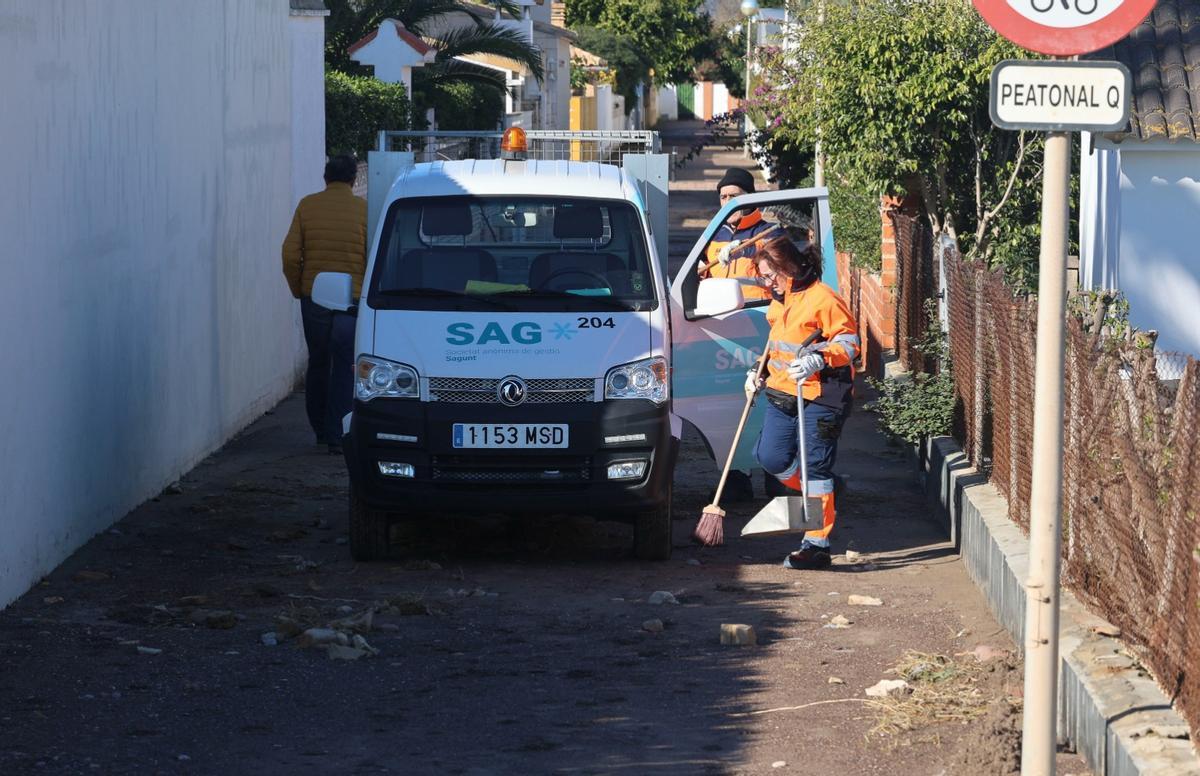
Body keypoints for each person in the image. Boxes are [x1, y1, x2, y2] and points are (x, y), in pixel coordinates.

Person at [745, 236, 859, 569]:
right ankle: (825, 494)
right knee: (770, 456)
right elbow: (777, 345)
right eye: (763, 277)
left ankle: (816, 545)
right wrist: (757, 371)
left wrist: (821, 358)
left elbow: (850, 342)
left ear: (787, 267)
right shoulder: (779, 300)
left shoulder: (823, 298)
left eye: (770, 276)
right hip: (784, 391)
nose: (767, 283)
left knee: (815, 467)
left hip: (823, 394)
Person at [281, 155, 367, 454]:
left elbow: (290, 256)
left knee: (318, 362)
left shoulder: (307, 206)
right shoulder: (364, 210)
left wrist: (300, 289)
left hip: (314, 299)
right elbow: (372, 256)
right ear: (354, 180)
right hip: (351, 301)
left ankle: (319, 429)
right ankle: (337, 434)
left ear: (325, 178)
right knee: (345, 365)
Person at [699, 168, 774, 302]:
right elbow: (703, 267)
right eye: (723, 197)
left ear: (749, 198)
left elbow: (769, 248)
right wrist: (700, 271)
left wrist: (743, 248)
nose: (728, 203)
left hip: (755, 314)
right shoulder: (713, 234)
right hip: (717, 314)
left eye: (734, 197)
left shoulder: (768, 230)